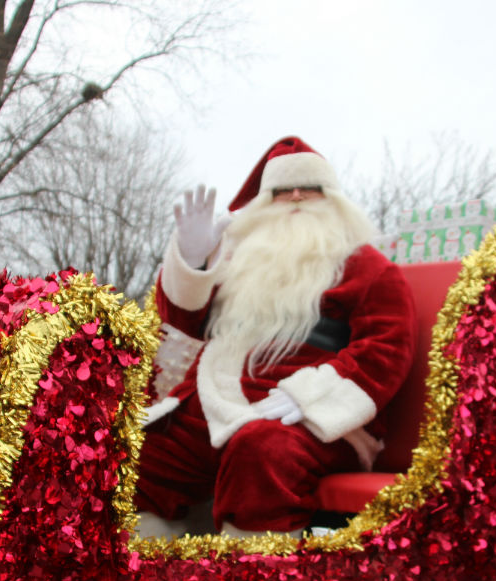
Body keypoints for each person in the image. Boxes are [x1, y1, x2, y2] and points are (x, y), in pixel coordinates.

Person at [135, 136, 417, 538]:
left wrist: (312, 397)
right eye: (283, 191)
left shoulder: (368, 268)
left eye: (312, 188)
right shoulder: (236, 260)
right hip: (214, 403)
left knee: (263, 451)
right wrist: (194, 261)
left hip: (304, 418)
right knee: (143, 455)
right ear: (263, 202)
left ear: (334, 199)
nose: (297, 196)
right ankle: (153, 576)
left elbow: (386, 348)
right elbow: (182, 319)